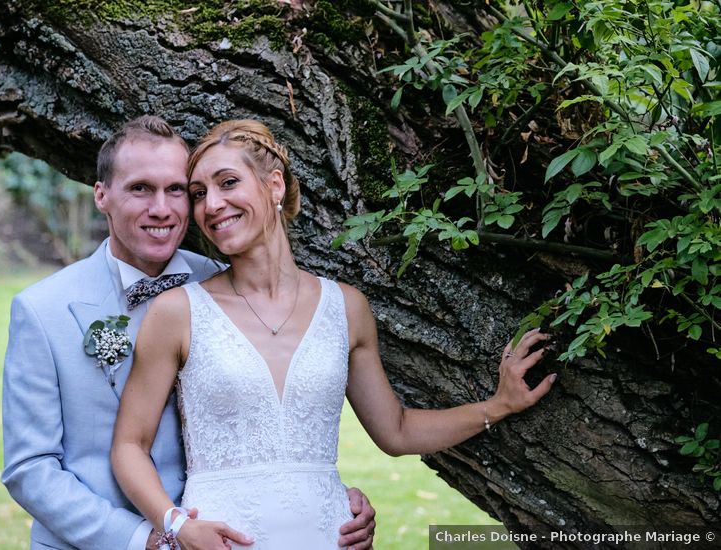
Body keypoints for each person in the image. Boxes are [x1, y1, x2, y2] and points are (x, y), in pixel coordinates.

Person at [111, 119, 557, 549]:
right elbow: (130, 445)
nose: (210, 205)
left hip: (328, 536)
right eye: (199, 193)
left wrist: (498, 406)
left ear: (275, 185)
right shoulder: (179, 311)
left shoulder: (345, 307)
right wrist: (176, 525)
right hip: (220, 542)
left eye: (228, 183)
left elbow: (396, 431)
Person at [1, 116, 376, 550]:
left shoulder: (227, 286)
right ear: (101, 195)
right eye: (141, 188)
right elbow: (31, 469)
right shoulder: (43, 310)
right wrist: (150, 538)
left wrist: (329, 500)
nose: (161, 208)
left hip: (232, 536)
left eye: (177, 190)